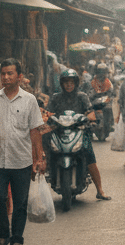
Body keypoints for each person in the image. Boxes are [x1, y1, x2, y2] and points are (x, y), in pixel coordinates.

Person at [0, 58, 47, 245]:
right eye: (3, 74)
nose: (6, 77)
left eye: (10, 74)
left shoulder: (29, 100)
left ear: (19, 77)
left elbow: (35, 130)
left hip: (22, 159)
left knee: (20, 202)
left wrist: (38, 158)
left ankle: (17, 239)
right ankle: (3, 233)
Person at [47, 69, 110, 200]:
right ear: (62, 84)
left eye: (71, 82)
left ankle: (100, 190)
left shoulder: (82, 96)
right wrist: (47, 119)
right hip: (59, 132)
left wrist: (91, 120)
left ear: (76, 83)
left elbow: (89, 111)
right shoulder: (55, 97)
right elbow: (49, 113)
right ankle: (48, 173)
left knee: (89, 155)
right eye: (66, 82)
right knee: (47, 151)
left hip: (79, 131)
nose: (69, 85)